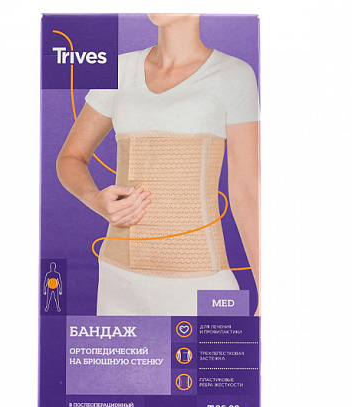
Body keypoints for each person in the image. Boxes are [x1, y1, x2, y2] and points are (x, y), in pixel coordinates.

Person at [56, 14, 260, 316]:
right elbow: (70, 158)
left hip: (200, 282)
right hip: (119, 283)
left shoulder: (233, 75)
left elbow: (247, 192)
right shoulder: (118, 70)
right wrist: (95, 200)